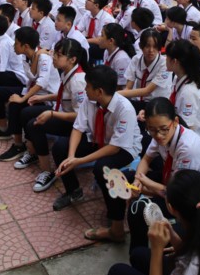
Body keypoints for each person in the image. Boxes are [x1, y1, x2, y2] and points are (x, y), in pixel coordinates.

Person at [52, 66, 142, 241]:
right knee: (60, 148)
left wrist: (79, 161)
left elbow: (115, 148)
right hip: (98, 141)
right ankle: (73, 191)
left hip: (124, 149)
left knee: (103, 169)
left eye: (88, 86)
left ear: (99, 91)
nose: (85, 89)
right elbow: (78, 128)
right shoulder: (91, 100)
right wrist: (71, 156)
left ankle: (116, 225)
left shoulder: (125, 109)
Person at [108, 170, 200, 275]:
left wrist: (157, 249)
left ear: (170, 208)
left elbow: (192, 261)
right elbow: (192, 251)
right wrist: (172, 235)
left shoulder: (192, 271)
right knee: (138, 255)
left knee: (117, 271)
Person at [125, 98, 200, 253]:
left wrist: (145, 185)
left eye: (163, 129)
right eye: (152, 130)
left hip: (189, 198)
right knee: (126, 178)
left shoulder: (188, 149)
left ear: (176, 121)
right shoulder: (162, 134)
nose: (158, 135)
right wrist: (138, 180)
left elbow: (177, 193)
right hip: (172, 178)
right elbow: (146, 158)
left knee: (137, 208)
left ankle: (142, 254)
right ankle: (128, 240)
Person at [17, 39, 88, 192]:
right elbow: (63, 95)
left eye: (59, 55)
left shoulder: (78, 81)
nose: (53, 57)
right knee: (26, 112)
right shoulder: (68, 72)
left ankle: (47, 172)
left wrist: (51, 113)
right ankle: (34, 153)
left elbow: (81, 116)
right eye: (54, 53)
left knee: (35, 124)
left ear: (72, 59)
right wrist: (42, 98)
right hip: (64, 113)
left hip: (77, 125)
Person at [165, 40, 200, 141]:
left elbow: (186, 128)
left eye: (167, 56)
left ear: (174, 61)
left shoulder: (188, 92)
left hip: (190, 142)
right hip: (177, 128)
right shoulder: (178, 79)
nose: (165, 59)